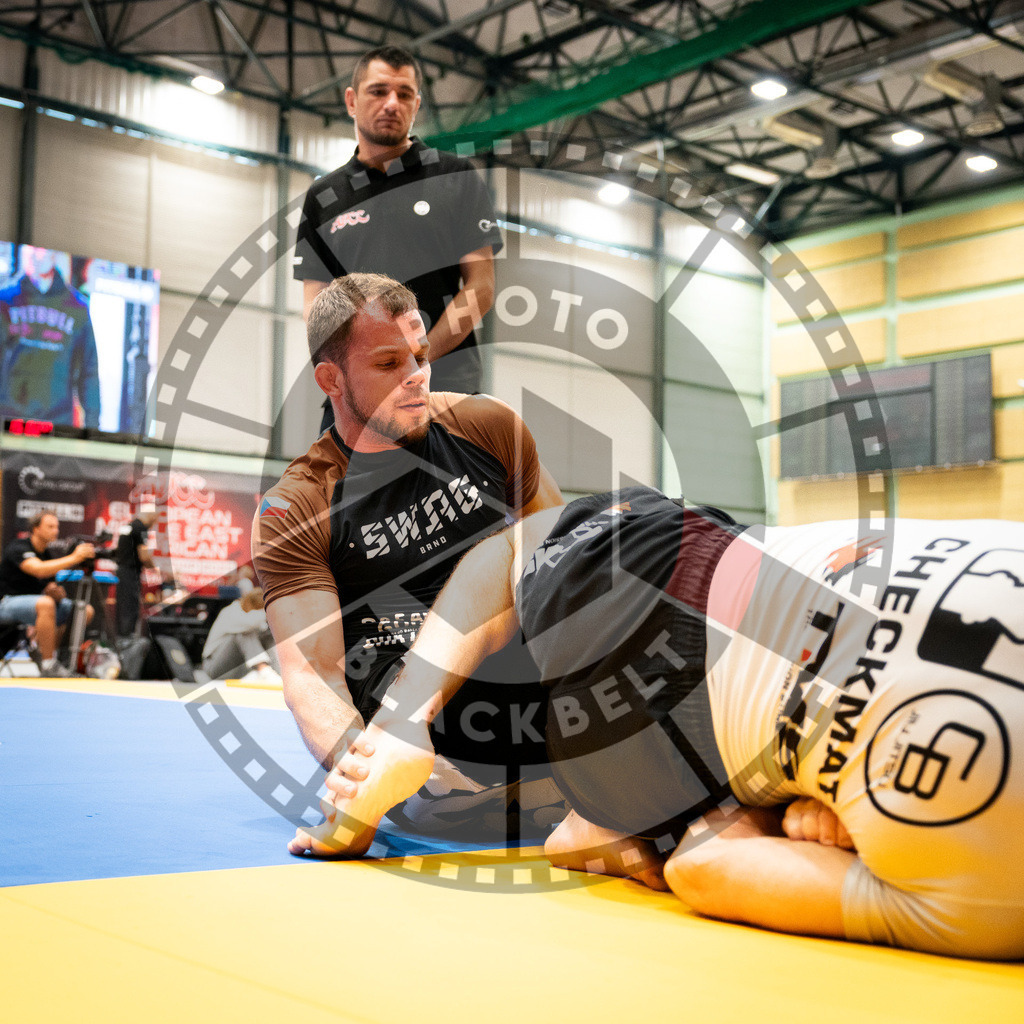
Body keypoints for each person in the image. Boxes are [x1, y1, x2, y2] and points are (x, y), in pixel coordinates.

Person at [299, 484, 1024, 960]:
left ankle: (407, 718)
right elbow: (705, 866)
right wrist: (800, 831)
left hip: (689, 562)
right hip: (657, 748)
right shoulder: (992, 900)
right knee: (661, 815)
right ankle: (598, 825)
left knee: (513, 546)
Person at [252, 272, 564, 838]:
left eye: (420, 356)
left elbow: (566, 565)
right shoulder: (297, 505)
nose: (415, 378)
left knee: (580, 537)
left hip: (535, 694)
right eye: (388, 363)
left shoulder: (488, 426)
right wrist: (360, 783)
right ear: (332, 378)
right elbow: (313, 673)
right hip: (423, 728)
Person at [293, 44, 503, 430]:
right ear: (352, 101)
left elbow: (482, 287)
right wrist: (357, 367)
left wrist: (419, 358)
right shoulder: (323, 196)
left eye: (404, 94)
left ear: (417, 104)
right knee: (342, 491)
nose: (392, 103)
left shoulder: (455, 178)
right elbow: (316, 304)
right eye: (378, 91)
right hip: (356, 400)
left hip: (446, 390)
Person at [0, 245, 100, 428]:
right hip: (8, 424)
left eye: (41, 249)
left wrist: (93, 429)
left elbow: (89, 373)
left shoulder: (78, 308)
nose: (36, 256)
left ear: (54, 254)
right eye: (30, 249)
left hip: (56, 426)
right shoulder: (4, 300)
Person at [0, 510, 95, 676]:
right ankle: (48, 664)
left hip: (36, 604)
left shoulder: (47, 554)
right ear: (36, 529)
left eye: (57, 527)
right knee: (46, 604)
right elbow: (38, 570)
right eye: (50, 526)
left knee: (83, 610)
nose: (55, 531)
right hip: (7, 603)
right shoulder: (19, 547)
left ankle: (58, 657)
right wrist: (75, 557)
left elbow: (48, 584)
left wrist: (56, 593)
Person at [201, 586, 281, 684]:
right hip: (213, 667)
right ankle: (263, 670)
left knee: (268, 635)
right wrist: (270, 611)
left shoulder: (252, 618)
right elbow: (250, 622)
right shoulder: (232, 611)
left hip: (236, 668)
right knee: (244, 633)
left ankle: (279, 673)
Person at [114, 503, 160, 637]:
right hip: (129, 573)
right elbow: (144, 556)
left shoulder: (130, 526)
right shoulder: (140, 528)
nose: (155, 522)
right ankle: (127, 641)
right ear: (151, 516)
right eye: (155, 518)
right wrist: (156, 570)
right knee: (130, 607)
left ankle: (122, 636)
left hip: (122, 572)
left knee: (123, 606)